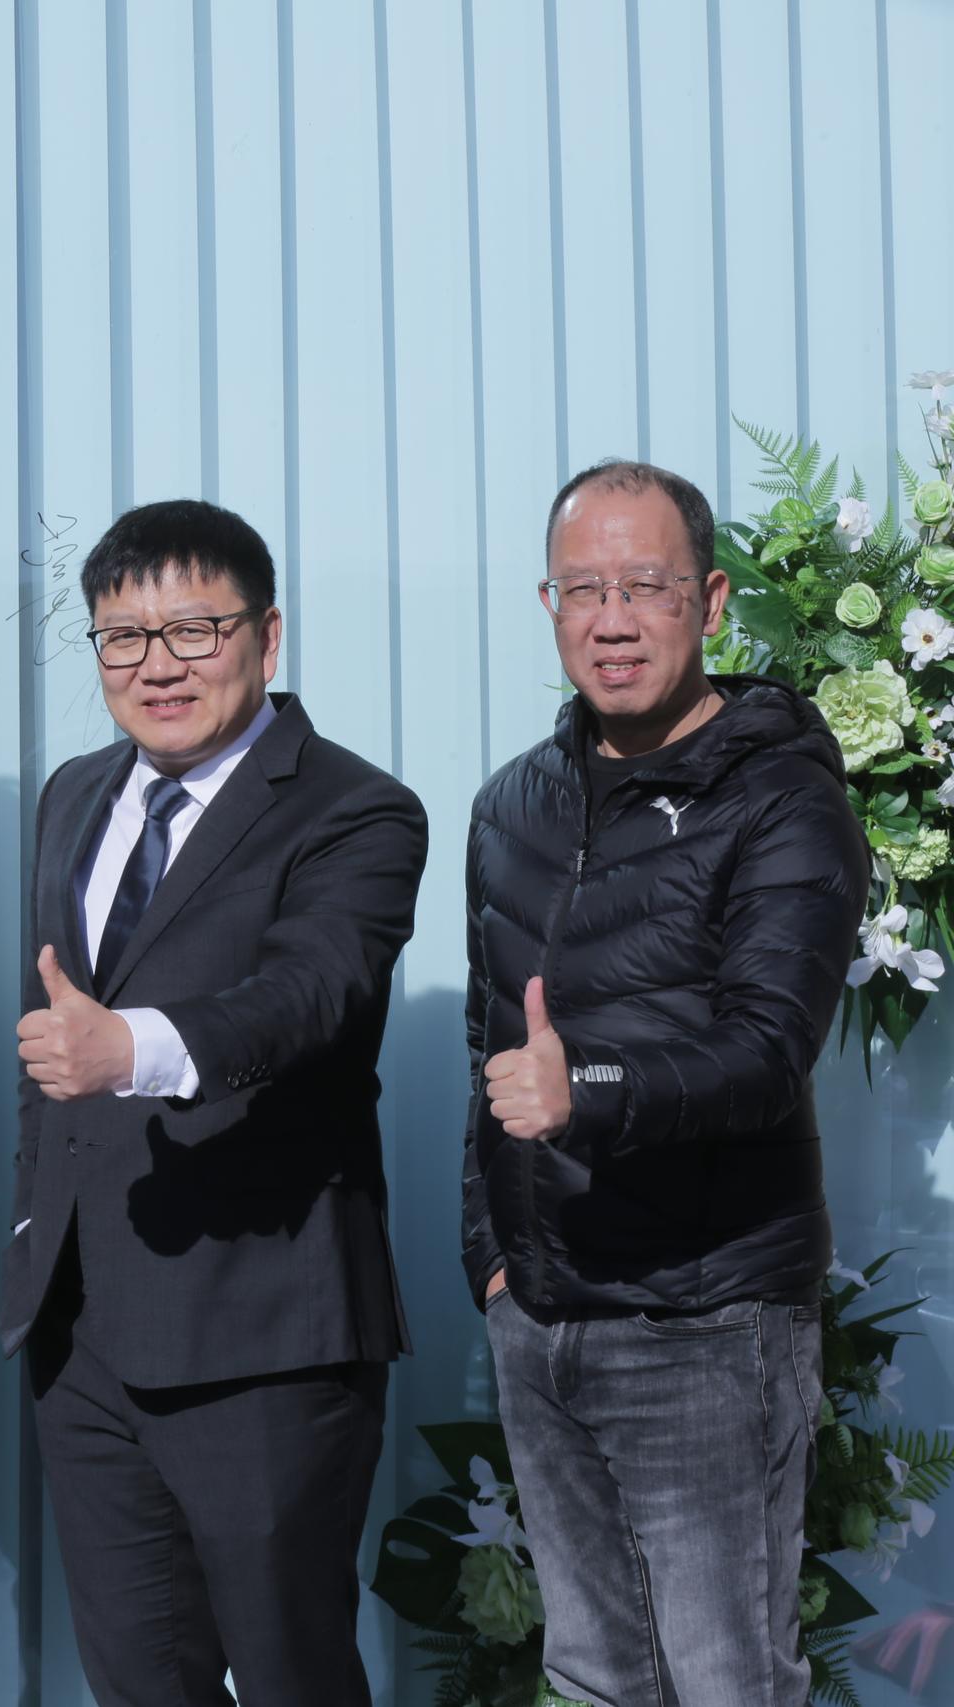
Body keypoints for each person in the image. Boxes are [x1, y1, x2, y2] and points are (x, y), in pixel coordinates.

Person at [1, 498, 424, 1705]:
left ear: (266, 637)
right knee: (140, 1682)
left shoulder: (354, 808)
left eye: (194, 630)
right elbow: (52, 1042)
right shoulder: (74, 795)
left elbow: (310, 995)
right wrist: (32, 1231)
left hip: (265, 1334)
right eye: (122, 637)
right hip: (83, 1331)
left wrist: (131, 1047)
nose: (157, 666)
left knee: (291, 1676)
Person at [465, 459, 865, 1707]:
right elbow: (486, 1052)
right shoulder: (513, 805)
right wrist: (494, 1265)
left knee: (725, 1679)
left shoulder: (782, 800)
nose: (613, 619)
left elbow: (766, 1050)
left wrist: (583, 1087)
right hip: (543, 1314)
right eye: (582, 590)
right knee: (592, 1677)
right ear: (548, 605)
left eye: (646, 586)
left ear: (711, 600)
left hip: (705, 1322)